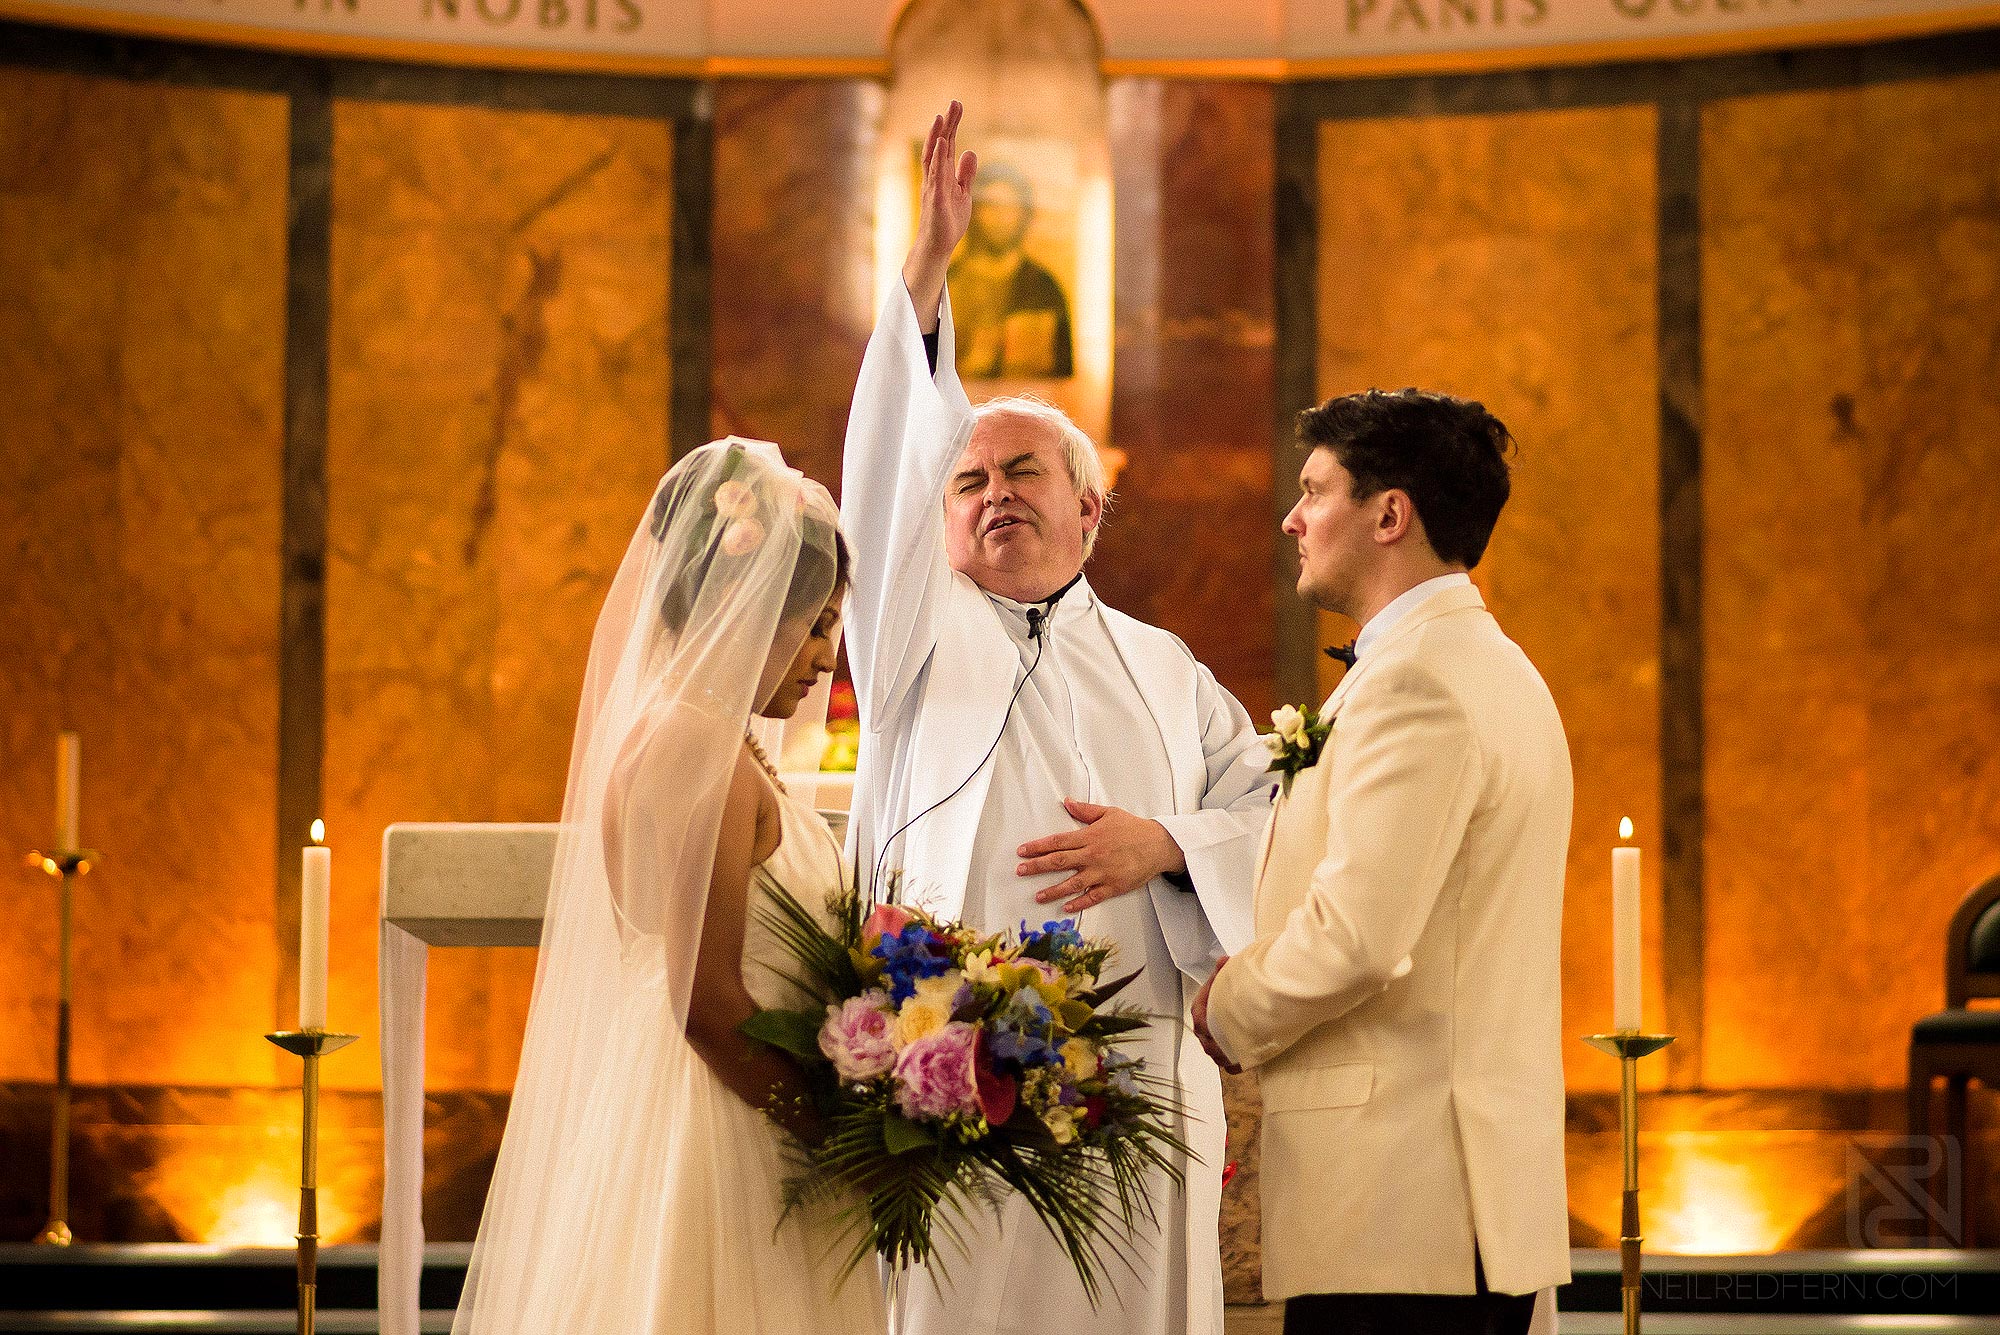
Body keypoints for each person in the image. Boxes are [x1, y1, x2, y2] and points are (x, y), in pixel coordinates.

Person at [842, 101, 1271, 1335]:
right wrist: (924, 278)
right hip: (952, 1072)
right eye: (967, 480)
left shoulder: (1166, 666)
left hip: (1132, 1078)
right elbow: (883, 478)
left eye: (1024, 472)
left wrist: (1170, 847)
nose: (990, 497)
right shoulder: (910, 635)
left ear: (1092, 510)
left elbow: (1268, 803)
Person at [452, 438, 883, 1335]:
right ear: (742, 604)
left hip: (691, 1103)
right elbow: (705, 998)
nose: (825, 657)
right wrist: (841, 1140)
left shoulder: (698, 735)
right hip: (726, 1128)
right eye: (810, 622)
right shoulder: (700, 749)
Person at [1193, 390, 1573, 1335]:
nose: (1292, 517)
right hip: (1446, 1209)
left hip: (1405, 1212)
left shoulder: (1415, 684)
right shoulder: (1491, 665)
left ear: (1390, 513)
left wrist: (1225, 1006)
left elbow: (1357, 936)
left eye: (1315, 490)